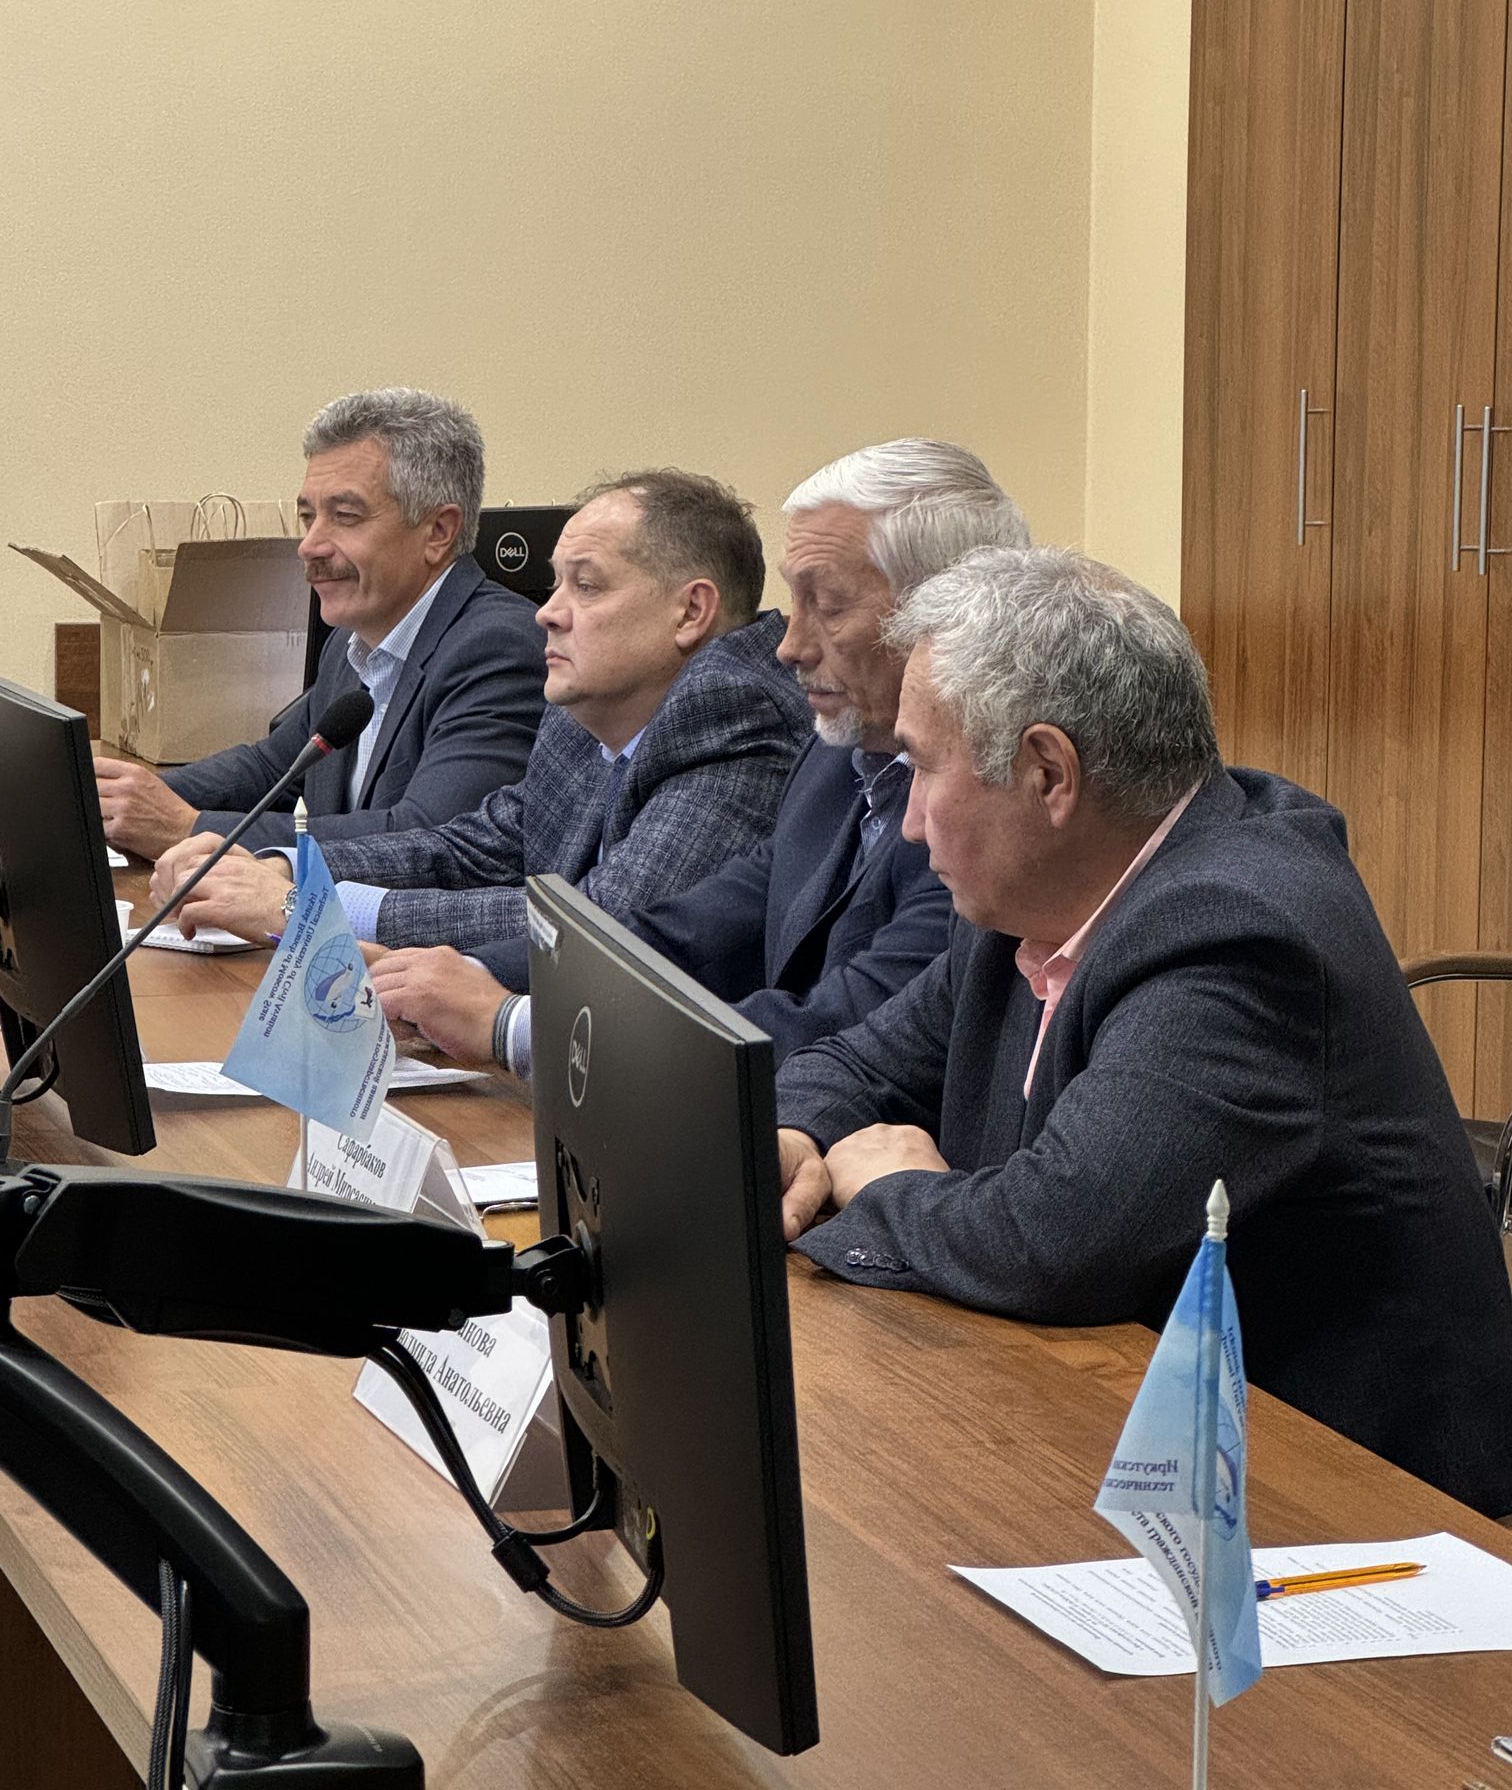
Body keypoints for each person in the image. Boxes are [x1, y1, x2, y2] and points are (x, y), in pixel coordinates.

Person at [776, 544, 1512, 1517]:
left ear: (1048, 772)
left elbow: (1056, 1238)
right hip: (1132, 1443)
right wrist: (796, 1137)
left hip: (1356, 1523)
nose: (909, 823)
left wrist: (888, 1187)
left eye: (921, 767)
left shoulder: (1242, 932)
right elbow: (853, 1063)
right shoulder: (1026, 899)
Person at [367, 440, 1028, 1075]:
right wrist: (470, 974)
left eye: (826, 607)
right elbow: (687, 934)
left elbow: (843, 1024)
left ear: (942, 620)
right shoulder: (837, 759)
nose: (789, 646)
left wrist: (512, 1024)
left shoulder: (987, 805)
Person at [151, 469, 812, 968]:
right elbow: (475, 846)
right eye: (555, 584)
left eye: (586, 586)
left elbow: (602, 926)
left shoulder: (734, 715)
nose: (547, 613)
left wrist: (309, 908)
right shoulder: (586, 714)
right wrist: (292, 867)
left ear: (691, 612)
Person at [94, 387, 546, 856]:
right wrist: (110, 796)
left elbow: (428, 840)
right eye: (308, 517)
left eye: (344, 516)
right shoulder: (351, 642)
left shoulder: (499, 649)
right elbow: (273, 770)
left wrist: (186, 828)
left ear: (438, 531)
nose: (309, 545)